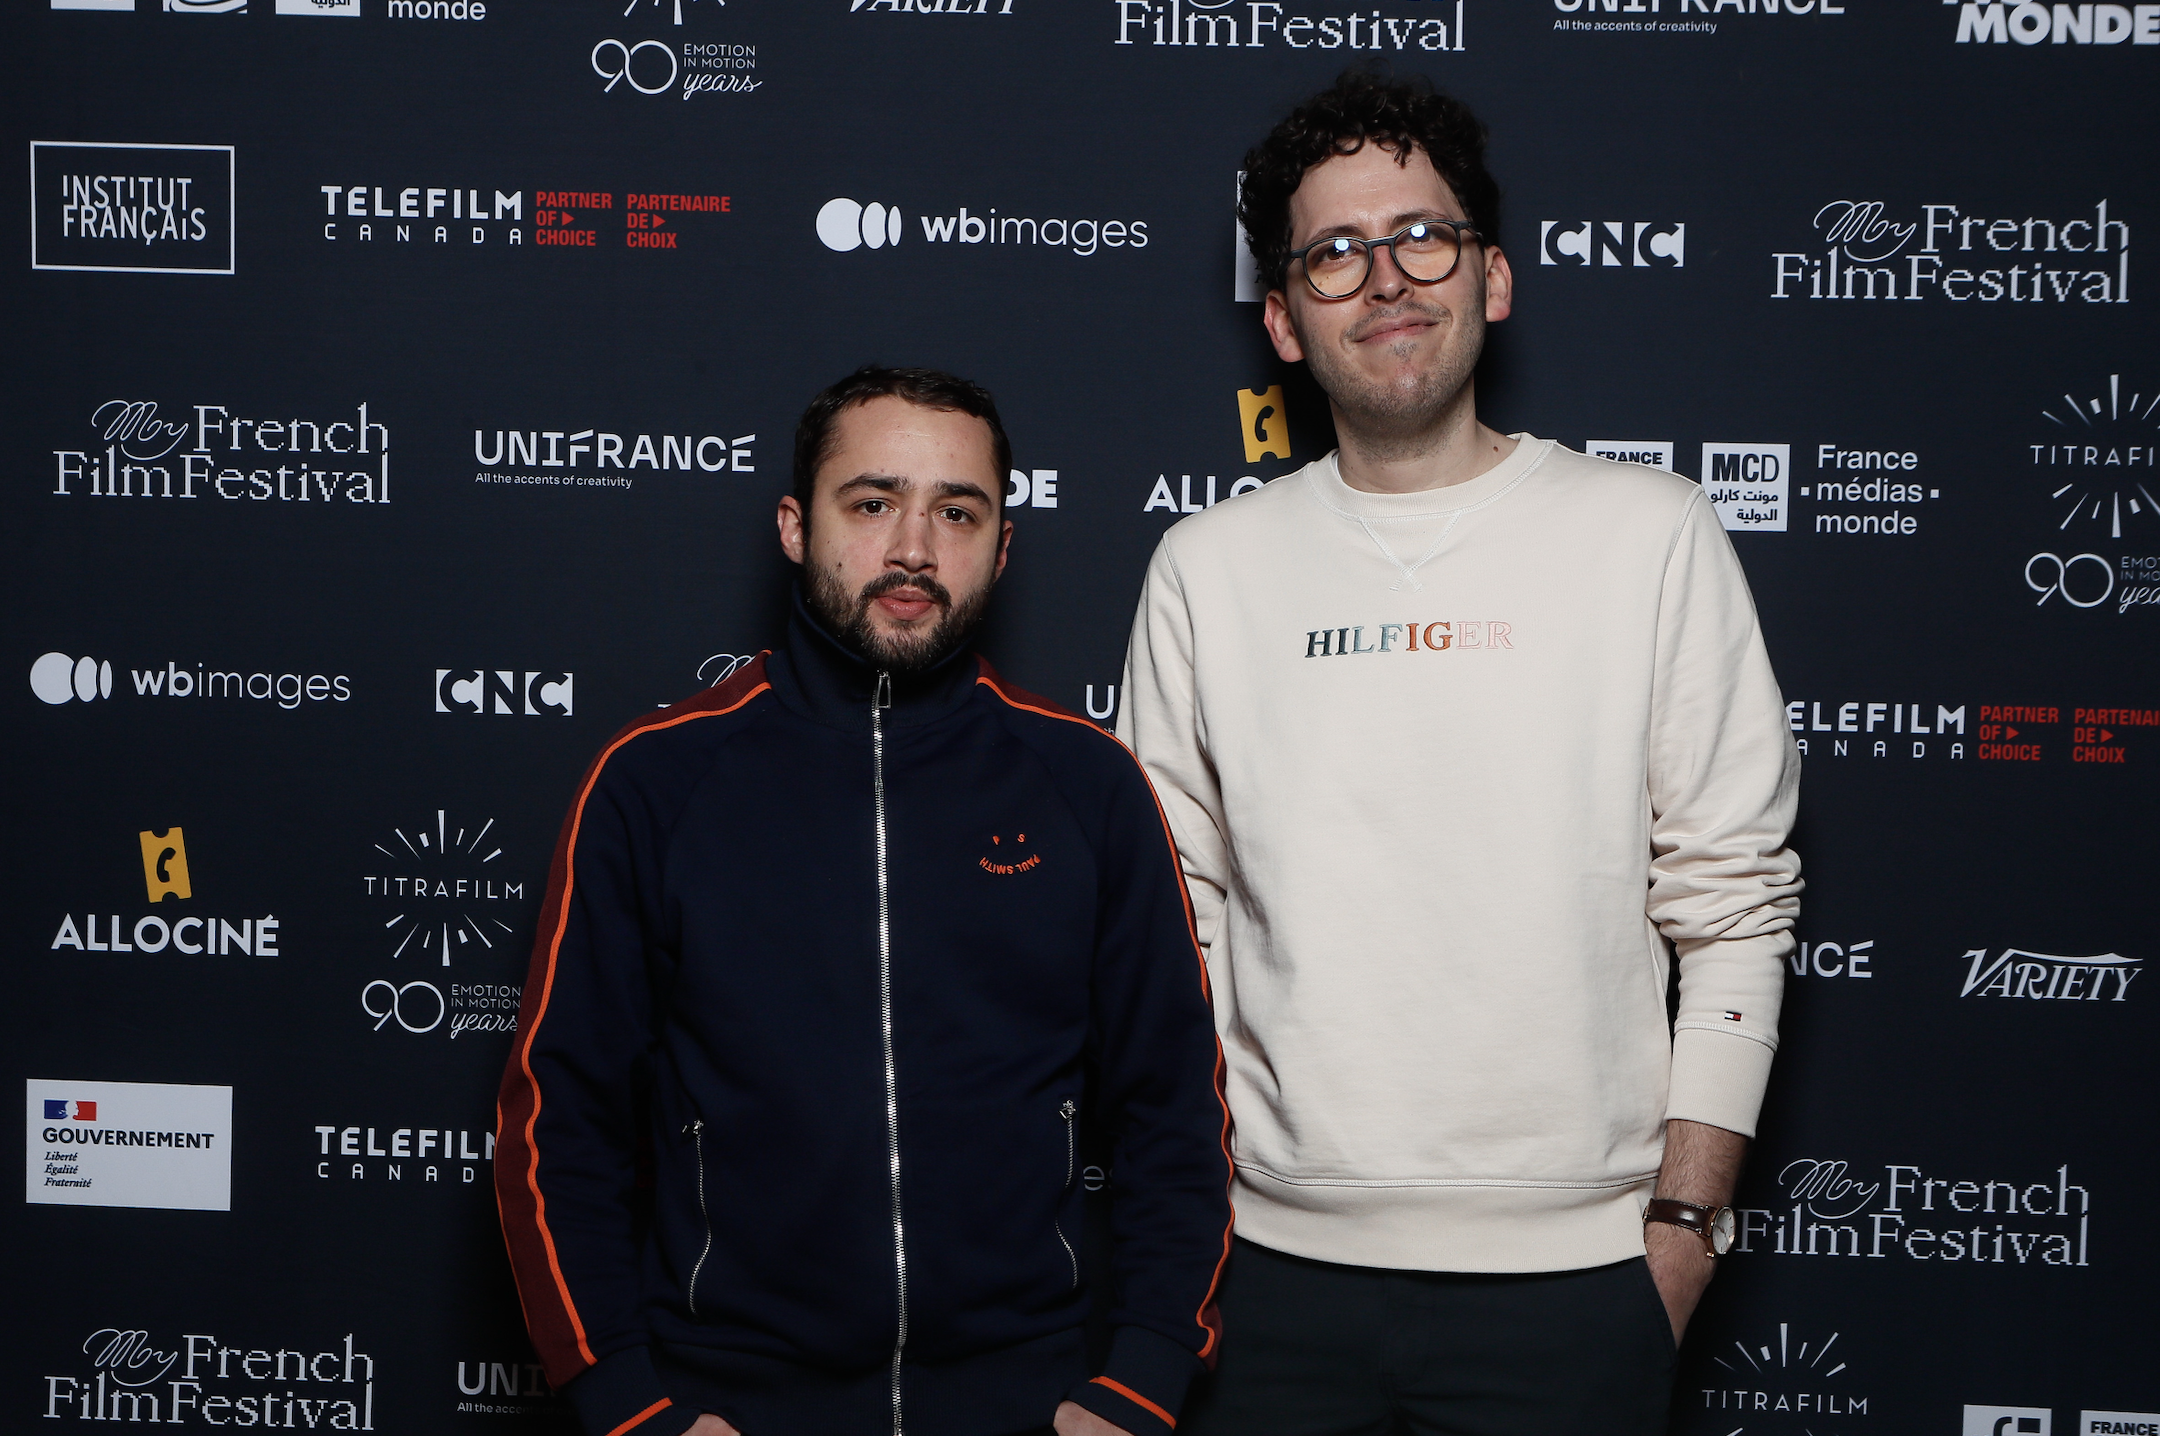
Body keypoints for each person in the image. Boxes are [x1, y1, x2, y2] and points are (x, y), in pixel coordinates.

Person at [1117, 72, 1803, 1435]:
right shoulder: (1206, 567)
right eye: (1334, 251)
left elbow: (1734, 903)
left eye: (1422, 237)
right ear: (1283, 319)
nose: (1385, 277)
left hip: (1582, 1282)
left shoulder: (1650, 534)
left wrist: (1680, 1233)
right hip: (1267, 1278)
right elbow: (1167, 920)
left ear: (1492, 277)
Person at [496, 366, 1234, 1436]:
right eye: (874, 502)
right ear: (797, 527)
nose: (914, 549)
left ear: (1003, 546)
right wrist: (627, 1403)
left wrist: (1143, 1381)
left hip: (1026, 1403)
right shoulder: (654, 781)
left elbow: (1174, 1104)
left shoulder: (1086, 782)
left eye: (957, 512)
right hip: (731, 1401)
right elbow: (559, 1116)